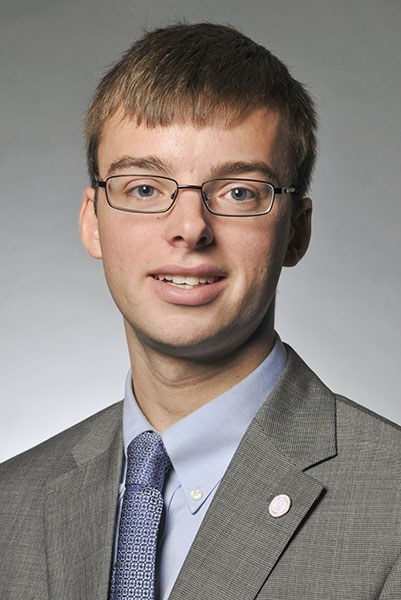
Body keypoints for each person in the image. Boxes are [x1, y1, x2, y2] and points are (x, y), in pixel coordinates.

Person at [1, 21, 400, 600]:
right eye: (144, 188)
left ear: (296, 231)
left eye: (239, 192)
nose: (190, 229)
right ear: (93, 222)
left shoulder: (389, 504)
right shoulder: (11, 504)